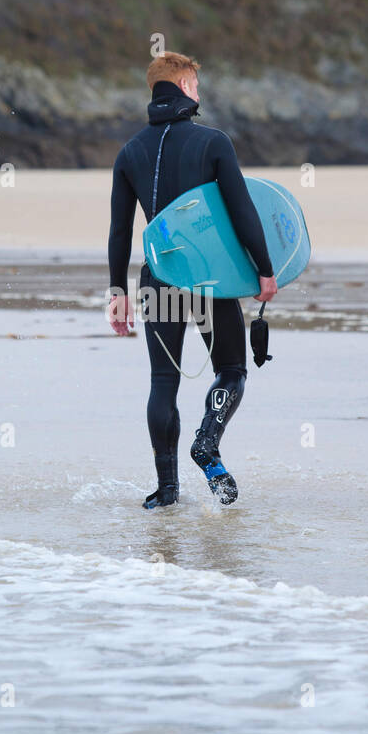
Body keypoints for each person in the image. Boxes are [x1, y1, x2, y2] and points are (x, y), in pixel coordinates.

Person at [107, 52, 278, 508]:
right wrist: (264, 268)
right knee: (232, 370)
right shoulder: (213, 142)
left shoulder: (130, 152)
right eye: (196, 86)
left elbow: (121, 232)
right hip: (209, 281)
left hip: (158, 280)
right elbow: (243, 210)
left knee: (163, 381)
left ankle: (166, 490)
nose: (199, 94)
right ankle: (207, 442)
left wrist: (117, 292)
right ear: (183, 84)